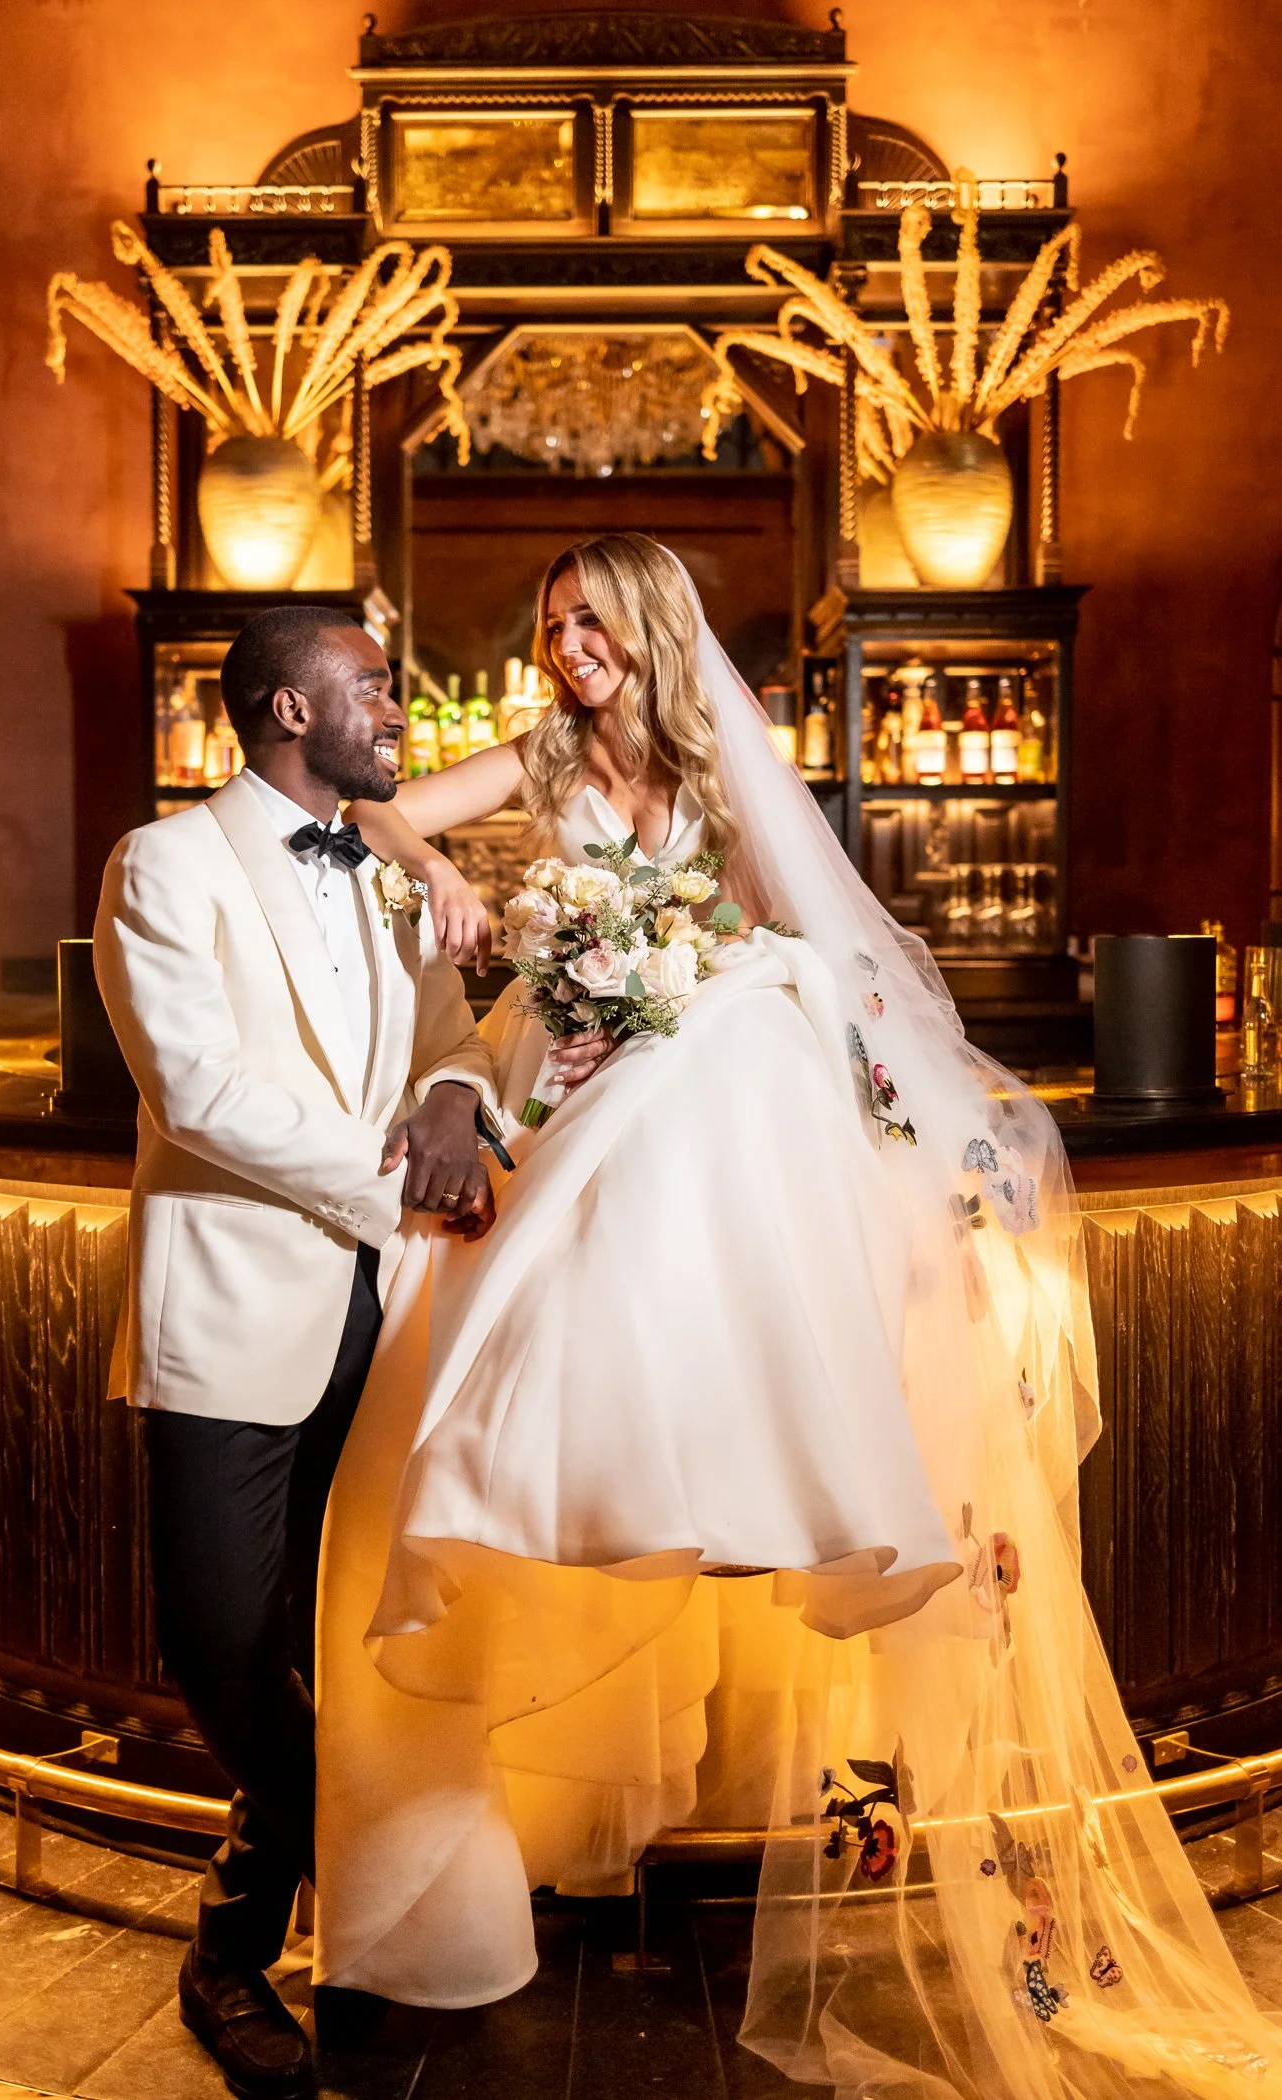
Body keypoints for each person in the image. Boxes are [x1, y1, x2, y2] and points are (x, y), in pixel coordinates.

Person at [310, 534, 1282, 2097]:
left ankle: (749, 1482)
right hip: (569, 1049)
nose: (571, 649)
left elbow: (803, 935)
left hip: (692, 1039)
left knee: (735, 1069)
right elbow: (373, 805)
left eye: (592, 623)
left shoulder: (721, 753)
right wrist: (436, 868)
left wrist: (683, 986)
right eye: (554, 627)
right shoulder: (538, 755)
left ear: (651, 623)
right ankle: (573, 1491)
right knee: (532, 1248)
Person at [93, 604, 500, 2100]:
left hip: (382, 1318)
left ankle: (232, 1951)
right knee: (219, 1645)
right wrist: (399, 1177)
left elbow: (452, 1032)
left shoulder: (385, 867)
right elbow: (195, 1090)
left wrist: (454, 1099)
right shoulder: (165, 862)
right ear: (287, 709)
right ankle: (373, 1854)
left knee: (332, 1643)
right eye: (373, 687)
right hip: (229, 1313)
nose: (396, 709)